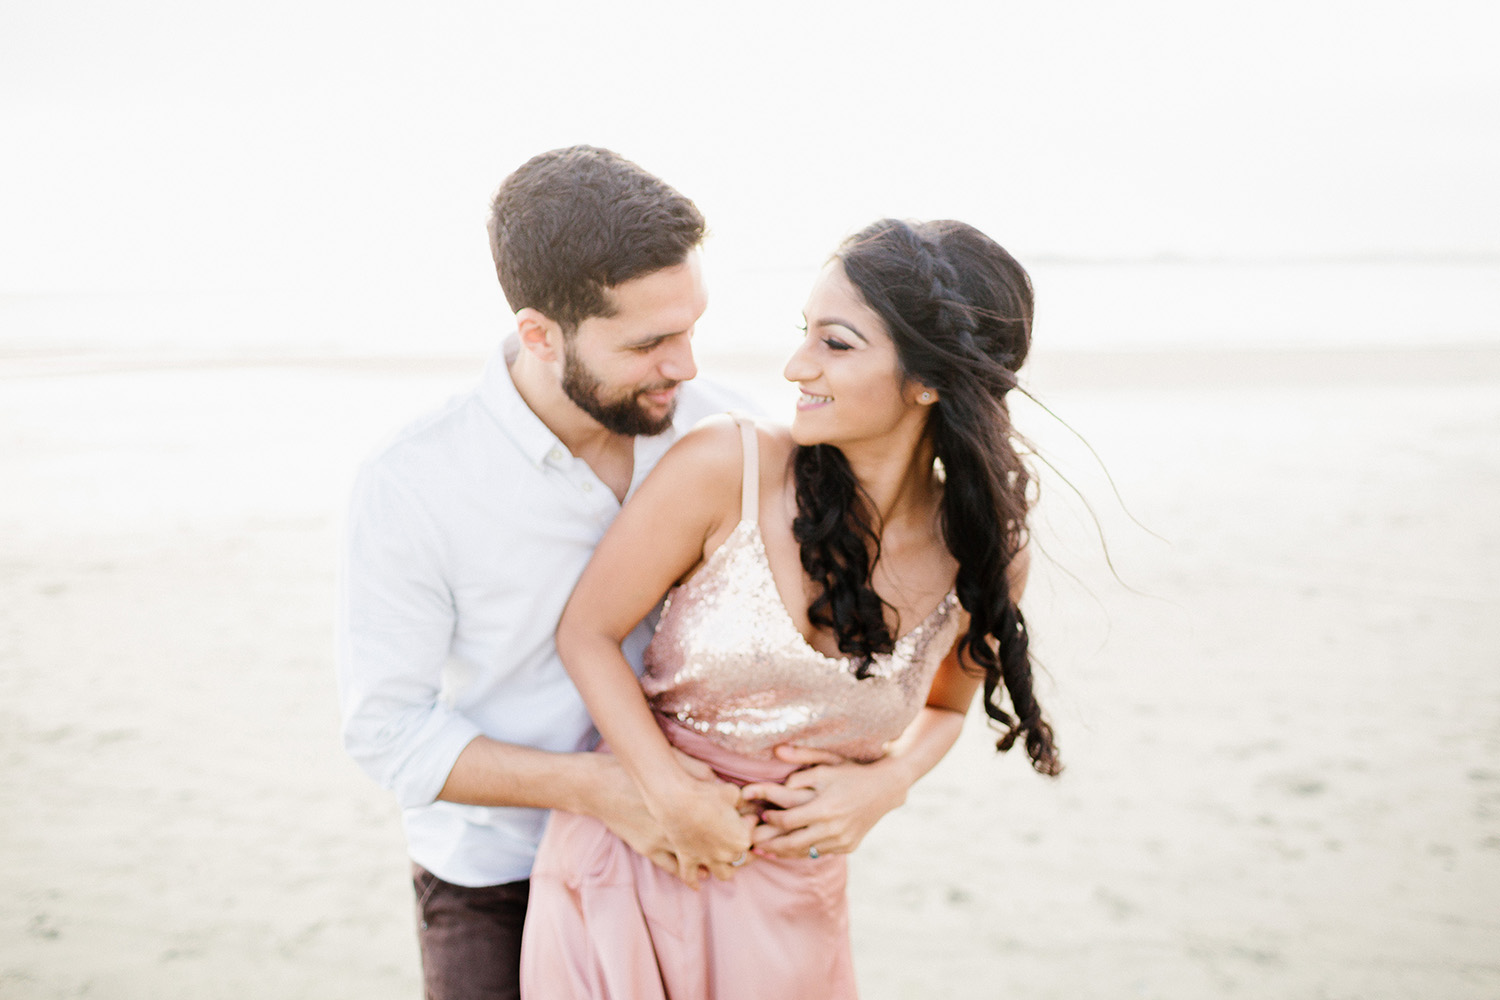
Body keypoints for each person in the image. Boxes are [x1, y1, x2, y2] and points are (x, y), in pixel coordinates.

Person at [337, 147, 937, 1000]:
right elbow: (385, 731)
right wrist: (599, 788)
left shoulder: (731, 434)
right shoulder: (415, 482)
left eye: (691, 327)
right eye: (651, 342)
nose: (686, 366)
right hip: (492, 868)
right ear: (541, 334)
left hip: (709, 856)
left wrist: (887, 777)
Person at [520, 218, 1063, 999]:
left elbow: (946, 706)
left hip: (793, 905)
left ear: (930, 378)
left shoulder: (984, 557)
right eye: (804, 333)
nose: (795, 365)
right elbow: (588, 633)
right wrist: (672, 799)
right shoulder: (728, 466)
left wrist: (888, 784)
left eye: (835, 344)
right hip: (631, 864)